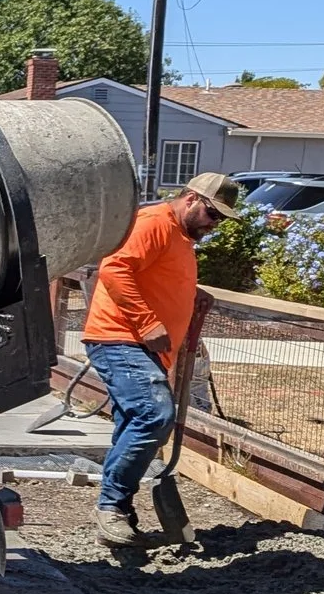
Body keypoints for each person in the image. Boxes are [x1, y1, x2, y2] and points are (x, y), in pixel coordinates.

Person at [80, 172, 243, 546]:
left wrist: (192, 293)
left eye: (220, 219)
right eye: (211, 214)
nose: (213, 225)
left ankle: (119, 509)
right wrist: (148, 322)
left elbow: (152, 273)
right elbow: (115, 269)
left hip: (142, 345)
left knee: (133, 422)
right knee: (154, 414)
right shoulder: (155, 223)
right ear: (191, 199)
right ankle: (111, 508)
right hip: (121, 338)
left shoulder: (179, 236)